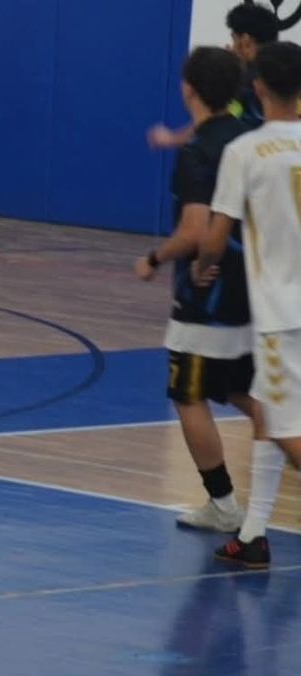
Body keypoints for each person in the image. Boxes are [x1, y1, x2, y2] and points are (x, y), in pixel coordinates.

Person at [136, 47, 254, 533]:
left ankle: (222, 504)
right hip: (259, 287)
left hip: (211, 293)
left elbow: (195, 231)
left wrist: (153, 259)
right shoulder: (250, 138)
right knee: (243, 389)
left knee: (188, 394)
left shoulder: (198, 154)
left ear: (189, 88)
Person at [195, 40, 301, 568]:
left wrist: (201, 268)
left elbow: (216, 236)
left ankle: (255, 534)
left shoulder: (244, 151)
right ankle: (254, 533)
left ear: (257, 86)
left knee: (284, 429)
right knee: (266, 411)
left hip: (286, 312)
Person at [150, 2, 278, 149]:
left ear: (246, 42)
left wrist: (173, 139)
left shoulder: (245, 83)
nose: (232, 46)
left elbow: (213, 124)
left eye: (234, 39)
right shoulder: (288, 72)